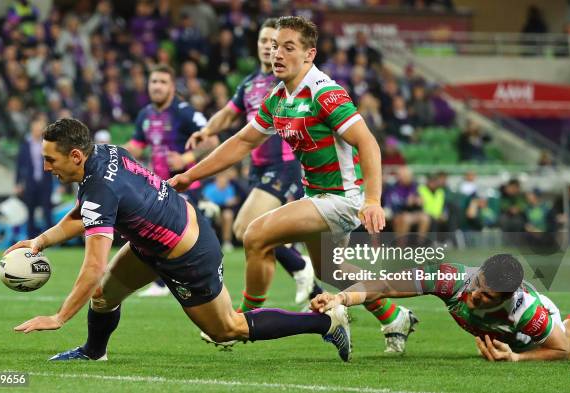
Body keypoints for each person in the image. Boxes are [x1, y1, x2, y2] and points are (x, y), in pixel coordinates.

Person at [6, 118, 352, 362]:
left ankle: (326, 321)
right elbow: (85, 212)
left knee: (227, 329)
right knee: (103, 297)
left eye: (51, 159)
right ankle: (94, 353)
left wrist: (59, 317)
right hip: (155, 241)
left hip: (190, 255)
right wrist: (39, 242)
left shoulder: (99, 187)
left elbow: (93, 265)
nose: (47, 167)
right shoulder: (106, 153)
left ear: (76, 156)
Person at [172, 16, 417, 353]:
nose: (277, 54)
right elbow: (242, 142)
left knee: (255, 235)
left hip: (341, 199)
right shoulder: (279, 97)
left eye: (288, 48)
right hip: (316, 195)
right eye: (275, 47)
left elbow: (368, 143)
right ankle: (396, 315)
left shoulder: (325, 93)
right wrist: (190, 175)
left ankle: (242, 318)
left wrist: (372, 199)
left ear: (309, 55)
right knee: (336, 273)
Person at [186, 18, 321, 307]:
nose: (268, 48)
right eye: (263, 42)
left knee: (248, 228)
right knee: (251, 235)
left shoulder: (286, 80)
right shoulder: (249, 84)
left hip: (284, 165)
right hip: (258, 169)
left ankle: (296, 269)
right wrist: (206, 131)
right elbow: (228, 113)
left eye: (275, 44)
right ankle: (324, 299)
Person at [311, 254, 570, 362]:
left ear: (505, 297)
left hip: (533, 340)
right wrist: (341, 299)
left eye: (487, 295)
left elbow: (561, 349)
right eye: (477, 283)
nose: (474, 294)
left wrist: (516, 357)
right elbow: (385, 286)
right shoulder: (451, 280)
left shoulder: (526, 311)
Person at [124, 64, 215, 297]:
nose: (157, 86)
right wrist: (108, 152)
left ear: (172, 87)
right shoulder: (145, 115)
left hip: (185, 184)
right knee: (159, 236)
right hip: (160, 186)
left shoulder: (185, 112)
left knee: (172, 237)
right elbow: (137, 145)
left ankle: (167, 284)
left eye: (162, 82)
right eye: (153, 82)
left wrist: (186, 157)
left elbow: (212, 140)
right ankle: (167, 282)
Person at [15, 113, 54, 238]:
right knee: (30, 212)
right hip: (30, 183)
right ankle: (31, 238)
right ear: (32, 130)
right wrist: (17, 183)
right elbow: (19, 166)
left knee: (47, 211)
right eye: (36, 129)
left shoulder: (48, 144)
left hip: (45, 182)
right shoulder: (25, 145)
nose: (38, 132)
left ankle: (50, 238)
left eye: (40, 130)